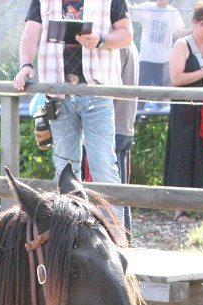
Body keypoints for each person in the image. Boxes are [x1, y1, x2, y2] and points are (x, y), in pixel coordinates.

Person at [13, 0, 134, 219]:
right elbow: (30, 34)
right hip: (58, 93)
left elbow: (126, 34)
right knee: (65, 170)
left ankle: (115, 236)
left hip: (97, 92)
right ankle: (69, 233)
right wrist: (25, 65)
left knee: (104, 166)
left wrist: (100, 40)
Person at [164, 1, 203, 222]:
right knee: (183, 156)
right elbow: (176, 78)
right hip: (186, 110)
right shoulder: (182, 45)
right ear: (195, 23)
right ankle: (180, 208)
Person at [130, 0, 188, 101]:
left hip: (164, 60)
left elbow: (177, 32)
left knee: (161, 91)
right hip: (146, 58)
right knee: (141, 89)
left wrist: (193, 30)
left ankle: (160, 108)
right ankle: (139, 112)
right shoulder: (147, 7)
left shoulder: (172, 12)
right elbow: (130, 13)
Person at [113, 42, 138, 231]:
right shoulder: (129, 44)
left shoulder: (118, 45)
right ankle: (124, 236)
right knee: (120, 191)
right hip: (124, 123)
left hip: (113, 125)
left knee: (114, 192)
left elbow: (112, 85)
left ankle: (120, 237)